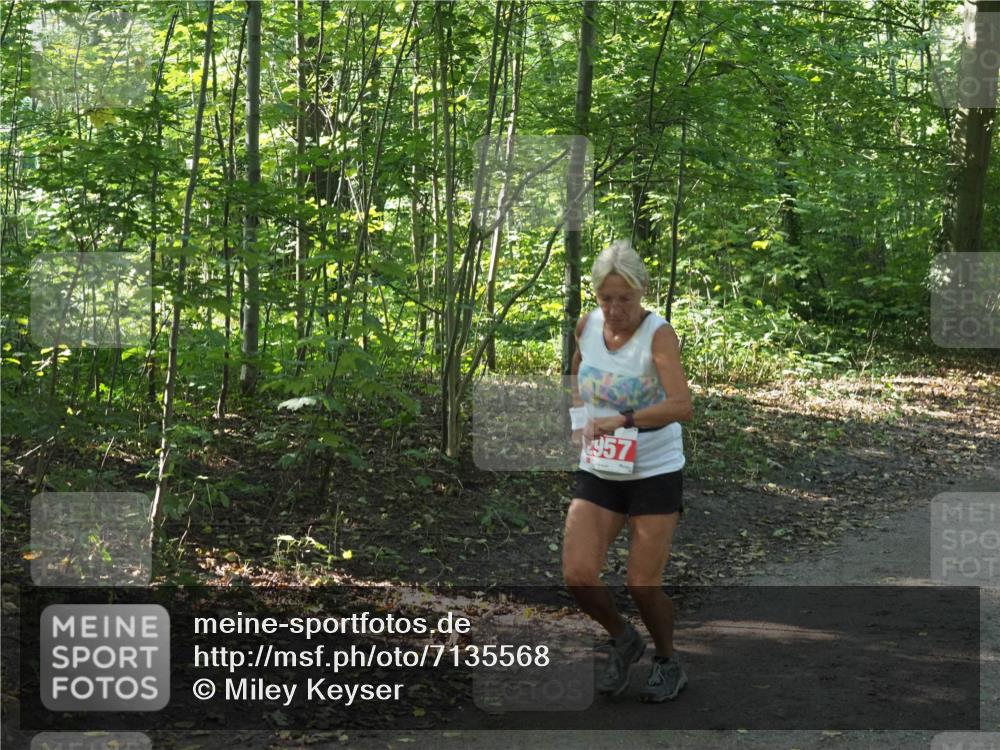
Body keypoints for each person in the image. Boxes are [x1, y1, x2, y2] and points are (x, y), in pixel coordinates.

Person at [563, 239, 693, 703]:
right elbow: (578, 373)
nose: (616, 309)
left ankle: (666, 659)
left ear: (642, 292)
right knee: (578, 574)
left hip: (653, 470)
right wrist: (581, 423)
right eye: (607, 298)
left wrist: (624, 419)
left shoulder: (658, 335)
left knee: (642, 582)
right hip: (599, 468)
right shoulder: (587, 325)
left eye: (626, 299)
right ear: (596, 295)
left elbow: (682, 406)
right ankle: (623, 638)